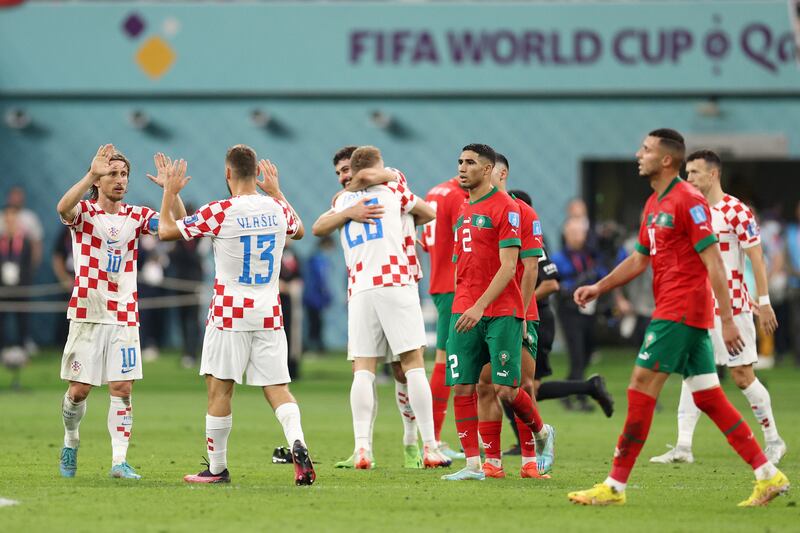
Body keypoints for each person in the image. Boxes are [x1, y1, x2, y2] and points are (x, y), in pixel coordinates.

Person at [567, 129, 789, 507]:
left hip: (682, 312)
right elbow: (639, 258)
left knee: (640, 385)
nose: (639, 154)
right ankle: (768, 475)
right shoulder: (654, 204)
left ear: (666, 159)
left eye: (646, 149)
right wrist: (599, 287)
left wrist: (729, 319)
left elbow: (715, 261)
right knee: (709, 397)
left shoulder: (689, 201)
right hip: (676, 311)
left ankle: (614, 485)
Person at [158, 146, 316, 486]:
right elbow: (299, 230)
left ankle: (217, 469)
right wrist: (276, 191)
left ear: (228, 173)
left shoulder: (220, 210)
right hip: (269, 312)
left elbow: (168, 232)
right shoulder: (276, 208)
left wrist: (169, 192)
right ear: (257, 172)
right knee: (278, 388)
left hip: (229, 314)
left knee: (219, 390)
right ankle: (297, 442)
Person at [56, 146, 186, 480]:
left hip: (125, 313)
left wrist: (170, 192)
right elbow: (62, 207)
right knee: (79, 391)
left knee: (123, 389)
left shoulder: (136, 216)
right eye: (112, 173)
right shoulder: (83, 212)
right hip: (88, 311)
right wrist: (89, 174)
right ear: (98, 179)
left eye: (123, 174)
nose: (119, 180)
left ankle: (119, 461)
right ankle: (71, 440)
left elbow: (179, 226)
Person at [650, 149, 786, 465]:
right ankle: (683, 446)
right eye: (687, 173)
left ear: (713, 175)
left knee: (741, 375)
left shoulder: (737, 211)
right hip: (697, 306)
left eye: (694, 173)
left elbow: (756, 257)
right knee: (691, 372)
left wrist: (763, 302)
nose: (688, 179)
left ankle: (774, 440)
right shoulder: (691, 211)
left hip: (734, 308)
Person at [313, 146, 442, 469]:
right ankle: (429, 446)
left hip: (360, 288)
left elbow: (318, 227)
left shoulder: (341, 202)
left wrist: (350, 204)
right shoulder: (393, 189)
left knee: (363, 370)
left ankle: (363, 450)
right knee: (413, 365)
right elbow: (431, 213)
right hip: (395, 281)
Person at [442, 144, 552, 482]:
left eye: (470, 162)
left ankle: (538, 438)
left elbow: (517, 268)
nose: (462, 167)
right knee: (466, 386)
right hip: (465, 308)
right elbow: (466, 263)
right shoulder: (462, 209)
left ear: (491, 169)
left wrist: (516, 311)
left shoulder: (511, 209)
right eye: (460, 161)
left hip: (505, 310)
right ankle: (479, 464)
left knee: (510, 388)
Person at [472, 153, 555, 479]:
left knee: (516, 387)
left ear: (499, 172)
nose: (470, 173)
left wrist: (520, 314)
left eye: (478, 167)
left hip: (517, 313)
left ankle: (534, 452)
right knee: (484, 385)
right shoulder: (476, 212)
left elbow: (531, 268)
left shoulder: (524, 213)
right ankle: (492, 462)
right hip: (483, 311)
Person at [419, 171, 470, 458]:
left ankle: (435, 437)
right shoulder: (458, 197)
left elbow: (425, 241)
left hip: (440, 282)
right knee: (447, 360)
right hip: (457, 286)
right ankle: (434, 439)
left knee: (446, 359)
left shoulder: (434, 192)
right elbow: (468, 240)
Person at [551, 217, 608, 411]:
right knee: (576, 354)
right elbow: (556, 284)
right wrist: (575, 283)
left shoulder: (590, 256)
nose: (578, 236)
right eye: (574, 232)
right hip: (569, 311)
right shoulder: (559, 258)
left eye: (581, 232)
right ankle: (577, 395)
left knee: (587, 352)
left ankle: (572, 391)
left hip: (588, 310)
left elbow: (602, 273)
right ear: (566, 234)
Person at [0, 205, 34, 351]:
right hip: (3, 287)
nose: (10, 220)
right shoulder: (1, 239)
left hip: (21, 287)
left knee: (22, 319)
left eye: (13, 216)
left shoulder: (25, 241)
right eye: (7, 216)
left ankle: (23, 348)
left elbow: (28, 264)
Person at [302, 235, 334, 353]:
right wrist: (325, 293)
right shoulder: (319, 259)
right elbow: (320, 279)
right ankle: (313, 347)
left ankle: (314, 345)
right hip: (314, 296)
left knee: (315, 321)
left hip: (313, 296)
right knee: (314, 322)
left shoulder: (315, 257)